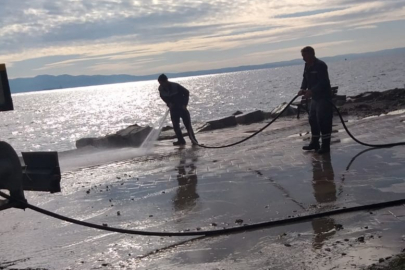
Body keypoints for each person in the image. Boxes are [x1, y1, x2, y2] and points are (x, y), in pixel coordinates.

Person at [298, 46, 333, 154]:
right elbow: (305, 78)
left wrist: (312, 91)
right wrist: (303, 88)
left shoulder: (320, 65)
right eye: (302, 56)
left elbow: (324, 82)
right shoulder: (307, 65)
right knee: (312, 119)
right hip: (315, 98)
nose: (303, 58)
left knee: (323, 121)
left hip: (324, 97)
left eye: (304, 55)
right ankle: (315, 143)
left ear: (311, 54)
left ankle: (325, 146)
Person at [157, 74, 198, 146]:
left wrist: (184, 104)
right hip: (173, 109)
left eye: (162, 82)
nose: (161, 84)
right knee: (175, 125)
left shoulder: (175, 86)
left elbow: (186, 92)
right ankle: (181, 140)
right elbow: (162, 96)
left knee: (187, 124)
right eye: (160, 83)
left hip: (182, 108)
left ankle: (193, 140)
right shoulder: (161, 88)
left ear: (166, 81)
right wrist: (168, 103)